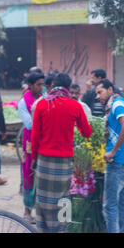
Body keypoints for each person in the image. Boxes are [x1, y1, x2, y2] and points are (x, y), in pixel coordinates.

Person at [31, 73, 92, 233]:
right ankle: (61, 229)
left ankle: (43, 229)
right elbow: (86, 132)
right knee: (63, 198)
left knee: (43, 198)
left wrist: (34, 158)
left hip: (44, 160)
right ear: (69, 87)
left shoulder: (42, 104)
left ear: (52, 85)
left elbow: (35, 135)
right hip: (65, 161)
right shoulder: (75, 106)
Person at [95, 79, 124, 233]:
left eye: (100, 92)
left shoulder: (117, 105)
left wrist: (112, 151)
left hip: (117, 162)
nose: (98, 96)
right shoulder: (120, 104)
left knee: (110, 206)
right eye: (96, 93)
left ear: (110, 90)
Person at [17, 72, 45, 224]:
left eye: (42, 84)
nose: (41, 87)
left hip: (43, 142)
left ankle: (40, 211)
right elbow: (29, 124)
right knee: (28, 173)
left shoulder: (43, 98)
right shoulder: (23, 103)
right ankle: (27, 211)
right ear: (30, 85)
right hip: (29, 144)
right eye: (38, 84)